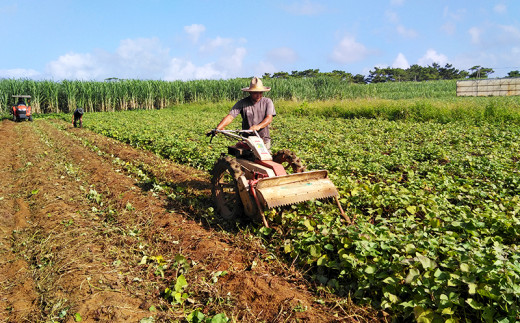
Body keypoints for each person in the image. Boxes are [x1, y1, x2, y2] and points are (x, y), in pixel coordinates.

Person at [215, 77, 276, 150]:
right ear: (250, 92)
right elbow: (230, 116)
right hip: (247, 140)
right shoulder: (242, 103)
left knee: (264, 158)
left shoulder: (267, 102)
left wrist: (258, 126)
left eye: (260, 92)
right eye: (255, 93)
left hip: (263, 139)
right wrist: (218, 127)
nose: (258, 95)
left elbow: (269, 118)